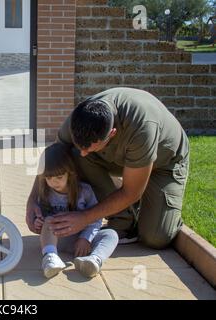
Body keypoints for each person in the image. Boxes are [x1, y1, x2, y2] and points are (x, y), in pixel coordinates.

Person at [26, 87, 189, 250]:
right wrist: (33, 199)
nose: (83, 153)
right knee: (73, 155)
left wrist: (84, 218)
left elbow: (131, 192)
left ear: (112, 133)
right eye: (80, 145)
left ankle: (141, 195)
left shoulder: (142, 128)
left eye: (90, 148)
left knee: (156, 237)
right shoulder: (79, 118)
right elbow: (53, 160)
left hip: (163, 163)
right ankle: (123, 218)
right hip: (121, 160)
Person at [35, 142, 118, 278]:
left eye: (59, 177)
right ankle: (50, 258)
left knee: (111, 234)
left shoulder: (85, 191)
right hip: (59, 240)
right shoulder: (46, 192)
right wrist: (39, 221)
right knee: (50, 220)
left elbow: (96, 219)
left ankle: (94, 260)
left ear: (70, 173)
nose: (53, 182)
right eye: (48, 178)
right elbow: (43, 217)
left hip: (83, 242)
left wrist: (85, 238)